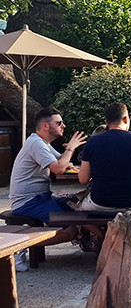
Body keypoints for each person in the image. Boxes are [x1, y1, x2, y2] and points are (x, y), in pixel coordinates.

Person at [9, 107, 87, 270]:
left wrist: (70, 152)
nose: (63, 126)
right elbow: (58, 169)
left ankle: (103, 242)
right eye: (59, 123)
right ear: (45, 126)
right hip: (28, 201)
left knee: (77, 215)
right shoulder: (36, 144)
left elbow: (62, 162)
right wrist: (70, 148)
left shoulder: (42, 142)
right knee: (70, 231)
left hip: (42, 197)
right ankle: (18, 249)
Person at [77, 104, 131, 235]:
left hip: (99, 203)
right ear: (126, 119)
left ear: (106, 123)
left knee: (76, 208)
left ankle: (105, 236)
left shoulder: (92, 142)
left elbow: (83, 179)